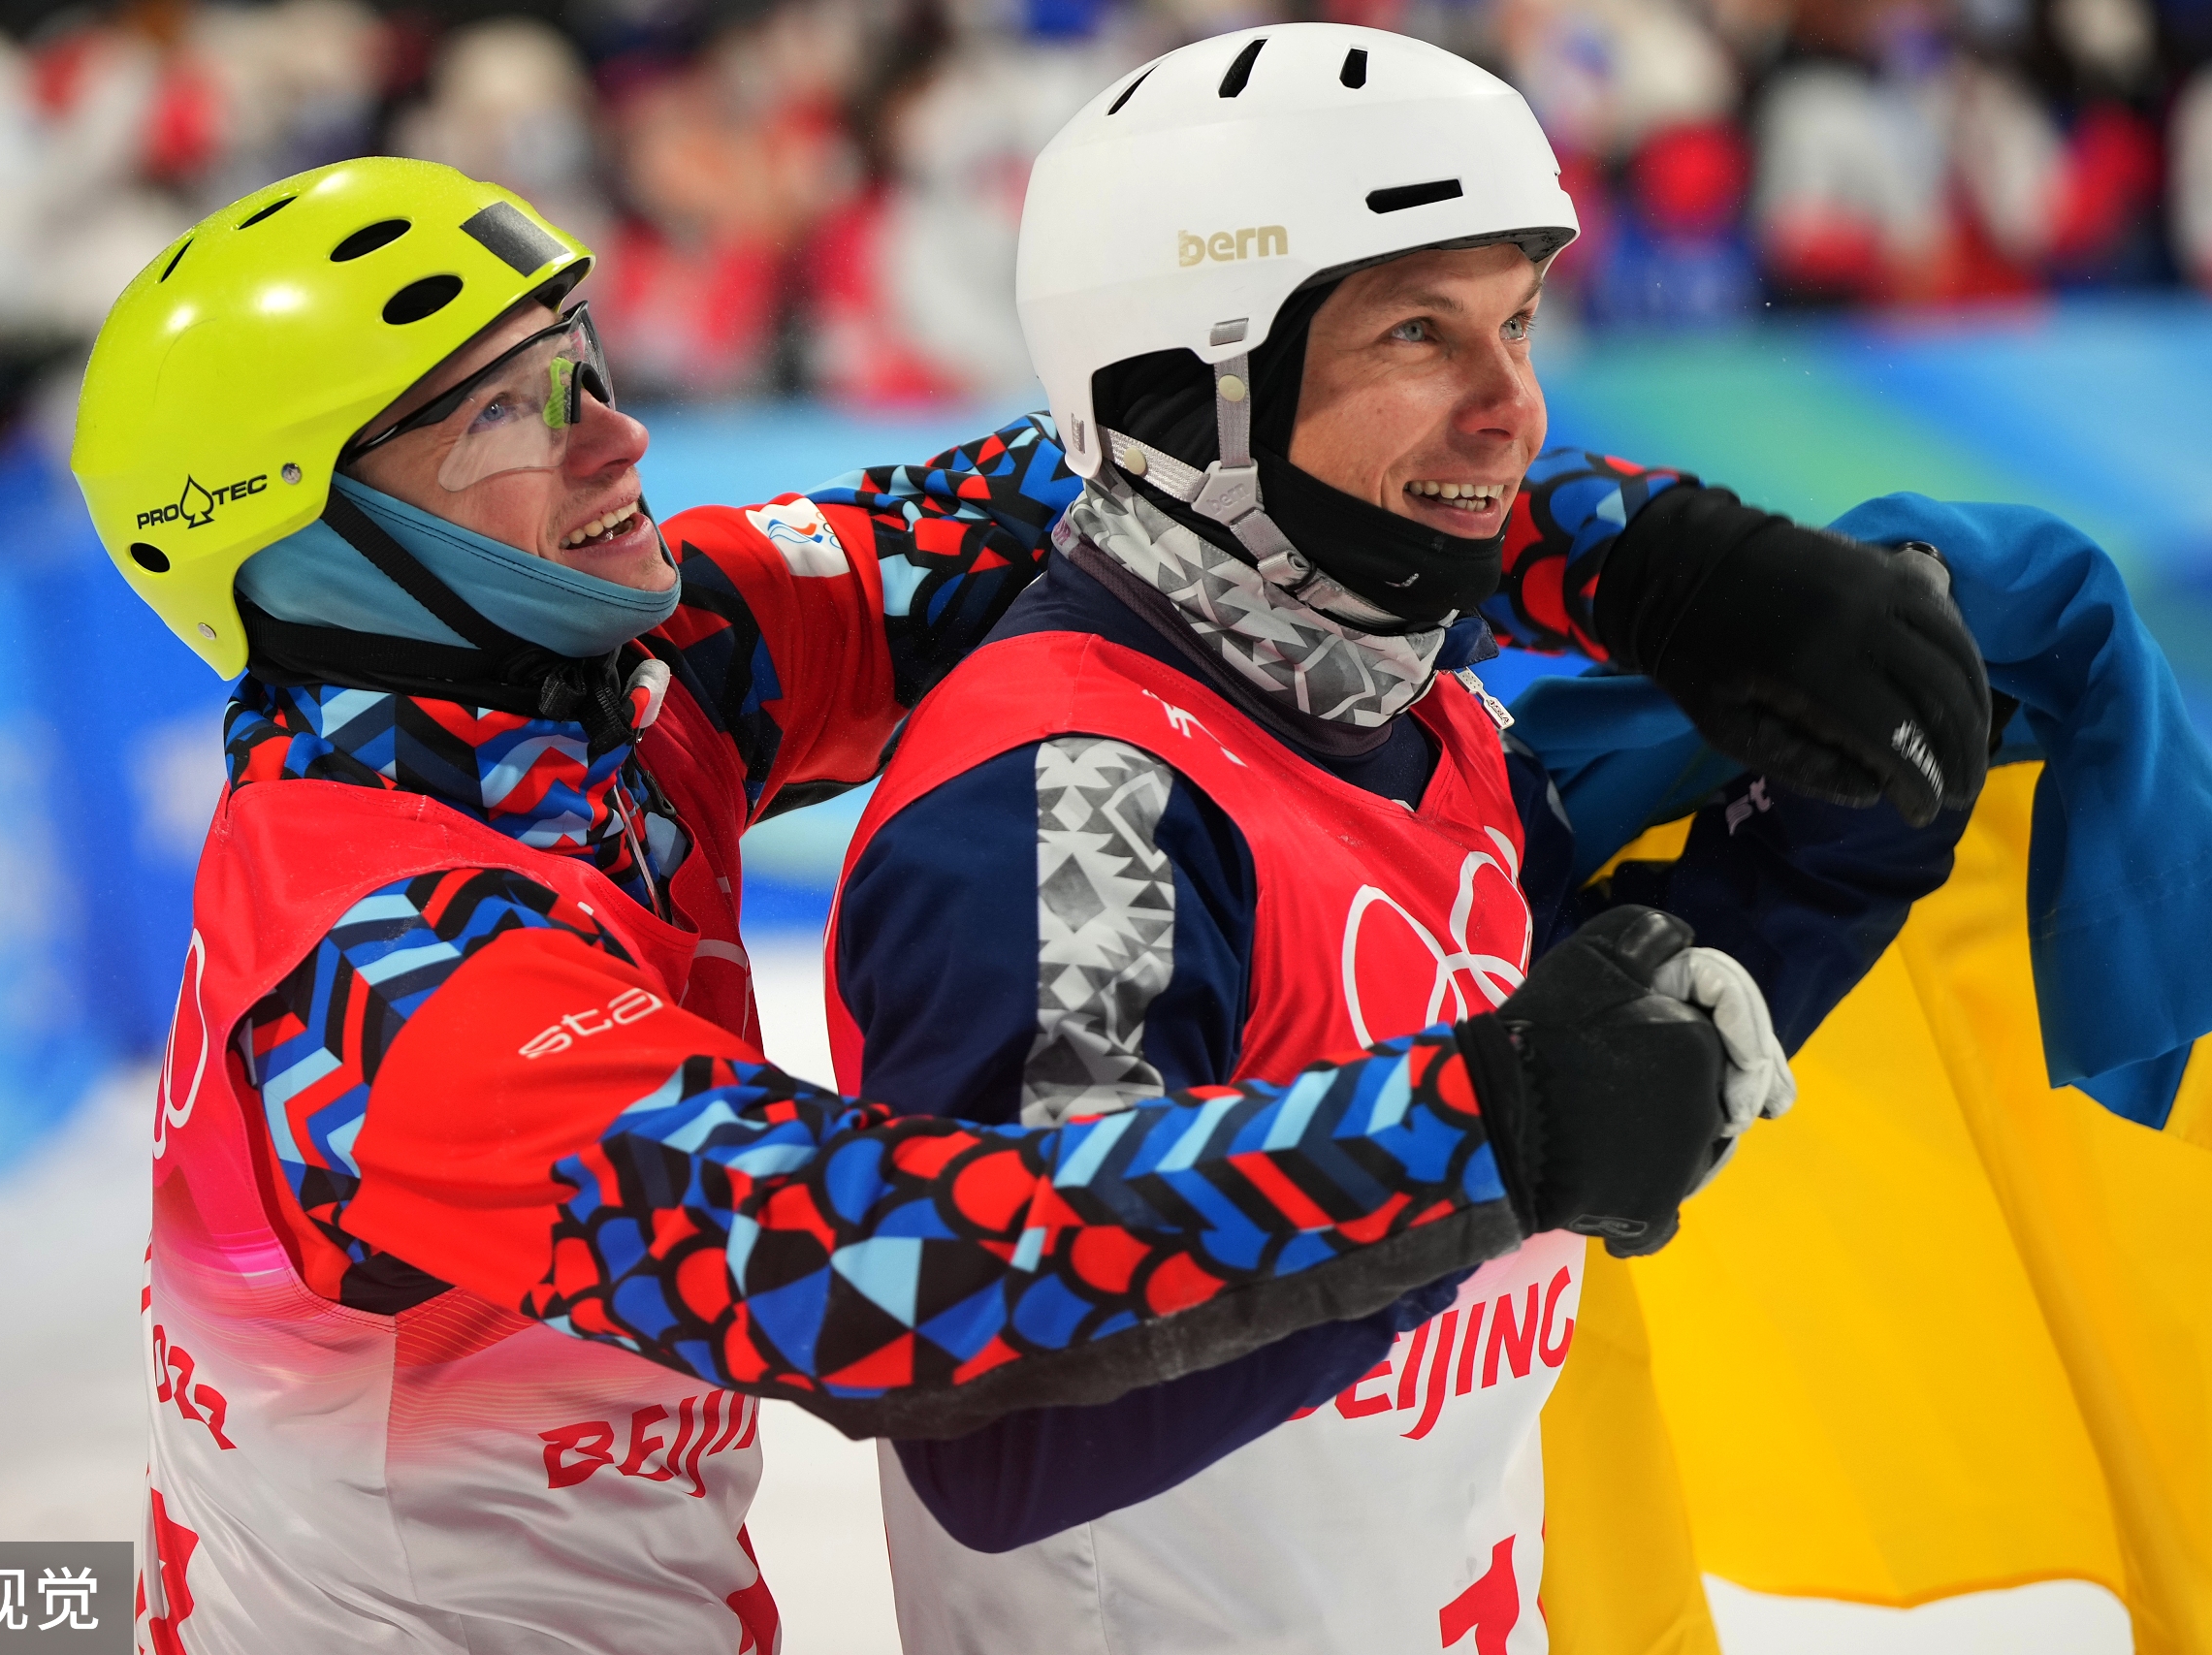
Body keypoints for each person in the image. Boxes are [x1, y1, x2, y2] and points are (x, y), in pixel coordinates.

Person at [72, 157, 1767, 1655]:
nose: (619, 431)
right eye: (507, 409)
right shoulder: (382, 973)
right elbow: (860, 1270)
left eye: (581, 362)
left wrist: (1649, 553)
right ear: (305, 541)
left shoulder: (615, 691)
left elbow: (1094, 475)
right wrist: (1484, 1124)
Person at [825, 24, 1993, 1652]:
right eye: (1418, 332)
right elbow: (1005, 1422)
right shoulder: (1074, 796)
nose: (1514, 410)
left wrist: (1843, 821)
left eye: (1516, 323)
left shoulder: (1422, 708)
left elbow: (1625, 1062)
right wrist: (1486, 1142)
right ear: (1191, 390)